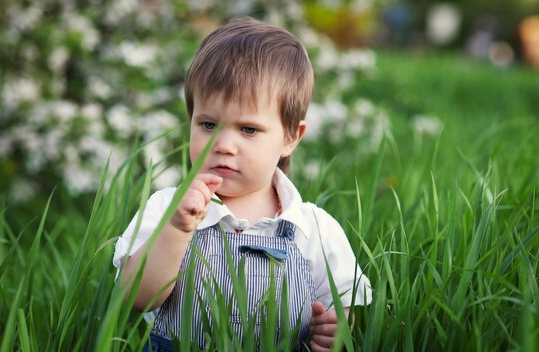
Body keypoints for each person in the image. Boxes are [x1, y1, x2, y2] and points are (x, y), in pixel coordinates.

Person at [113, 17, 372, 351]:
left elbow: (344, 302)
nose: (223, 144)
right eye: (207, 124)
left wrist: (337, 328)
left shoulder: (313, 229)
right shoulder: (168, 208)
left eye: (248, 130)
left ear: (291, 137)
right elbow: (136, 297)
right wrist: (176, 229)